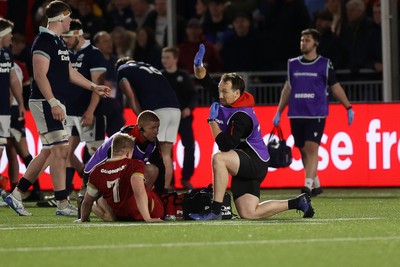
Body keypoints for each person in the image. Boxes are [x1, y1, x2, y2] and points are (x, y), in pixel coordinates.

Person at [5, 0, 110, 217]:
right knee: (60, 149)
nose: (71, 20)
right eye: (69, 16)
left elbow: (70, 73)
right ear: (61, 17)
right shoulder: (43, 41)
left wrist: (94, 86)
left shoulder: (58, 42)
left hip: (53, 101)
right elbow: (40, 75)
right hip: (45, 102)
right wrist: (52, 101)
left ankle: (18, 194)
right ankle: (61, 201)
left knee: (51, 150)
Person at [188, 44, 315, 220]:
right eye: (219, 90)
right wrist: (198, 65)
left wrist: (212, 122)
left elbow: (225, 145)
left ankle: (215, 210)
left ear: (237, 93)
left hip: (255, 162)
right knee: (249, 213)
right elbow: (205, 79)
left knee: (219, 158)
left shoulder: (242, 116)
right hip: (244, 160)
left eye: (224, 91)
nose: (220, 95)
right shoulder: (227, 99)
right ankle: (298, 203)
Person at [273, 28, 354, 197]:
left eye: (307, 40)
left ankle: (307, 186)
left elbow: (335, 86)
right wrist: (279, 111)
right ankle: (316, 183)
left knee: (311, 148)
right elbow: (288, 88)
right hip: (296, 113)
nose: (303, 43)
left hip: (315, 113)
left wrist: (347, 106)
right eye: (302, 40)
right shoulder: (293, 64)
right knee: (302, 149)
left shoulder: (324, 64)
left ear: (316, 43)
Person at [116, 57, 180, 190]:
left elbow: (131, 97)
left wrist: (142, 119)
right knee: (166, 153)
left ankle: (160, 191)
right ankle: (166, 189)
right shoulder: (147, 66)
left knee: (159, 153)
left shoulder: (123, 70)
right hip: (175, 108)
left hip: (157, 110)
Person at [62, 19, 107, 195]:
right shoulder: (67, 53)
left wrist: (90, 111)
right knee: (65, 151)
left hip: (88, 112)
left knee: (95, 152)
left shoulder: (94, 54)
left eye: (67, 37)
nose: (64, 41)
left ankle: (96, 190)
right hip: (70, 111)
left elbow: (98, 85)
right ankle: (69, 191)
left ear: (77, 34)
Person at [77, 133, 164, 222]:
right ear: (128, 152)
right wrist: (147, 218)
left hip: (119, 213)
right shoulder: (135, 164)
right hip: (140, 212)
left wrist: (83, 219)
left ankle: (93, 203)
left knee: (108, 214)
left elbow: (88, 201)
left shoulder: (97, 170)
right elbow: (139, 192)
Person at [84, 110, 165, 195]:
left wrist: (161, 196)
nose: (156, 131)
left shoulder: (153, 142)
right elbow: (111, 168)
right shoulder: (125, 139)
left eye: (157, 127)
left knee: (152, 170)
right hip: (94, 175)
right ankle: (94, 202)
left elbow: (160, 168)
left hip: (117, 175)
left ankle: (139, 201)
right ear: (141, 128)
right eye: (152, 128)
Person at [161, 46, 196, 190]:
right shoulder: (160, 75)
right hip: (166, 118)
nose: (165, 60)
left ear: (175, 59)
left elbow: (193, 95)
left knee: (189, 146)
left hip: (183, 117)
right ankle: (170, 181)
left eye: (168, 57)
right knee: (167, 150)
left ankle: (186, 178)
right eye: (163, 57)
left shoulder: (184, 75)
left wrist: (188, 108)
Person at [0, 18, 26, 195]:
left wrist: (20, 102)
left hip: (4, 110)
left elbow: (13, 79)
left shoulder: (7, 53)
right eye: (9, 33)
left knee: (1, 149)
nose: (11, 37)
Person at [93, 31, 125, 136]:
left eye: (110, 41)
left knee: (117, 143)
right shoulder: (92, 61)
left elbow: (120, 88)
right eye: (105, 41)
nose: (110, 44)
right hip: (98, 110)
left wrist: (121, 110)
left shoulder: (116, 61)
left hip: (115, 110)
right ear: (97, 45)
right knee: (95, 146)